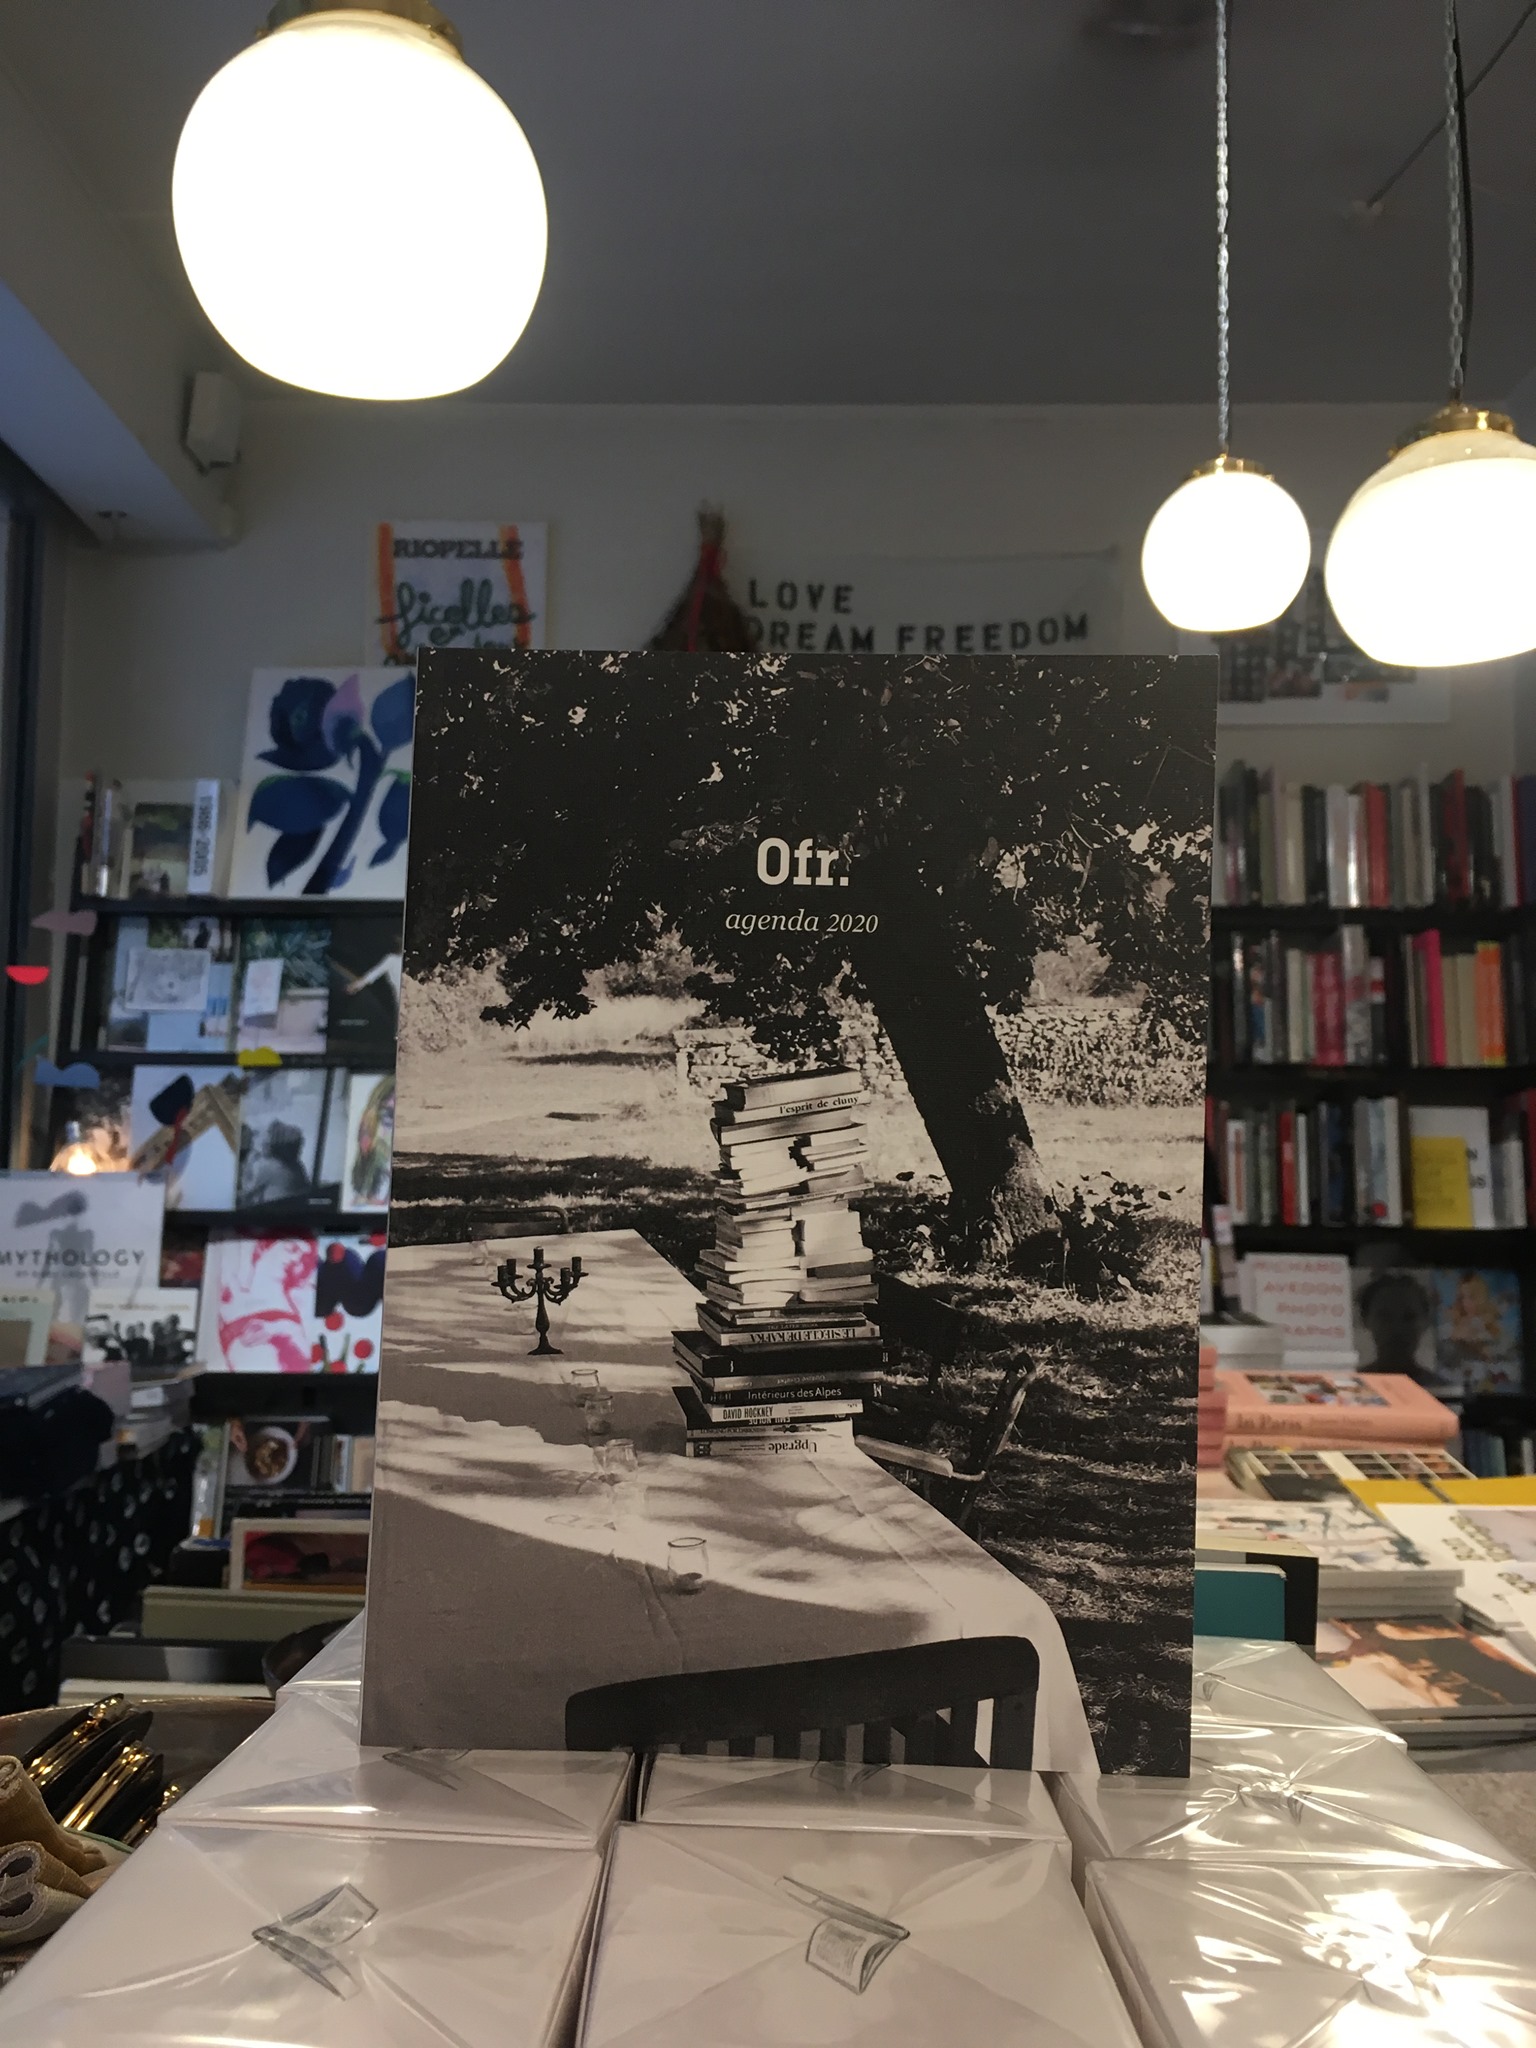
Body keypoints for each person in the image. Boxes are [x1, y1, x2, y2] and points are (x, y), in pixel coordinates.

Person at [1355, 1269, 1439, 1386]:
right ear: (1365, 1319)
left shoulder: (1442, 1388)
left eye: (1409, 1317)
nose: (1397, 1328)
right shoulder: (1352, 1385)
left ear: (1425, 1321)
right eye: (1385, 1317)